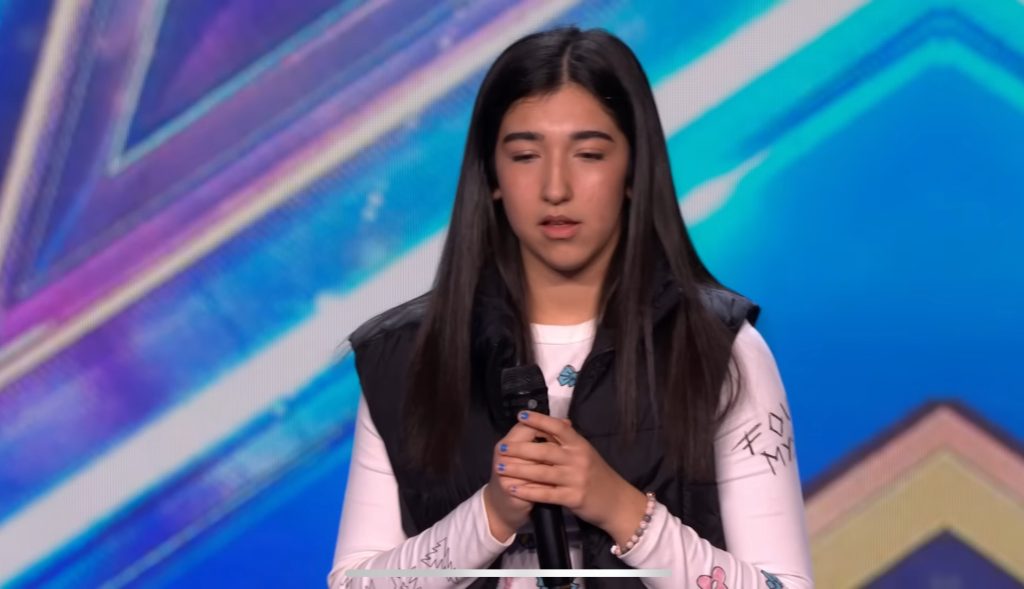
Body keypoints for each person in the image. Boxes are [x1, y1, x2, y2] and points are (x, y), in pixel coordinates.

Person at [328, 26, 813, 589]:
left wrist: (621, 509)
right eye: (525, 156)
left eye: (588, 154)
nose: (555, 188)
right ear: (492, 176)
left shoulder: (715, 350)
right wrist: (489, 517)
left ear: (633, 170)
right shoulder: (408, 358)